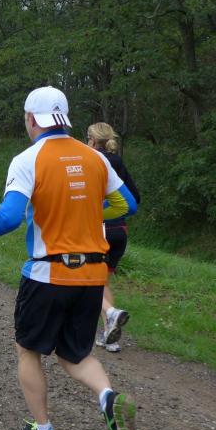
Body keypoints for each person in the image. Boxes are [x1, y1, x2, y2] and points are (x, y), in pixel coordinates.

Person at [0, 86, 138, 430]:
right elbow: (127, 205)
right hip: (92, 277)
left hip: (47, 275)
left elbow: (7, 220)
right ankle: (108, 397)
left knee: (28, 350)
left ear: (31, 119)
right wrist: (88, 212)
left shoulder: (28, 159)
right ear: (64, 119)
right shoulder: (95, 158)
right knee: (76, 354)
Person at [87, 122, 141, 352]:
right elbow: (135, 198)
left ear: (91, 139)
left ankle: (110, 314)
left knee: (86, 278)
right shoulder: (118, 162)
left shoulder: (90, 160)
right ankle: (110, 334)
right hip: (120, 231)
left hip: (99, 228)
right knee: (102, 281)